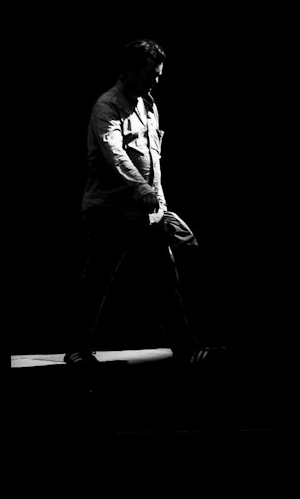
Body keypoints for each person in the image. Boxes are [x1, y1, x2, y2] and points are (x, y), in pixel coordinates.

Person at [64, 38, 200, 369]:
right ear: (129, 70)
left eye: (159, 74)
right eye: (151, 73)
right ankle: (77, 350)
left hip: (144, 213)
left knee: (165, 280)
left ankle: (187, 351)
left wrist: (162, 209)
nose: (156, 80)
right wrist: (140, 189)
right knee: (98, 279)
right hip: (109, 210)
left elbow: (154, 161)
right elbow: (115, 154)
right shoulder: (107, 105)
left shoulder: (149, 105)